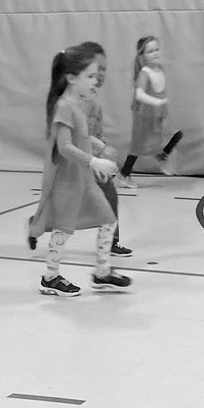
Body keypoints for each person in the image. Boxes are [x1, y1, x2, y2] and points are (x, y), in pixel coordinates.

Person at [27, 44, 132, 296]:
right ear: (72, 77)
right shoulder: (64, 106)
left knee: (108, 219)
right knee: (63, 229)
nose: (96, 81)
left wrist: (98, 147)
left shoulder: (78, 104)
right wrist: (93, 162)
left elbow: (80, 137)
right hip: (68, 180)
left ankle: (102, 272)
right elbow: (64, 147)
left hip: (83, 178)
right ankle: (50, 277)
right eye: (91, 76)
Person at [80, 41, 132, 257]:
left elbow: (95, 129)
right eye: (97, 69)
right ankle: (37, 226)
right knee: (65, 205)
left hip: (94, 158)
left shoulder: (92, 95)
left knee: (109, 196)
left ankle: (110, 242)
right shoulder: (81, 98)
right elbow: (79, 133)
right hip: (81, 158)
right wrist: (100, 147)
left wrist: (104, 152)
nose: (101, 74)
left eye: (104, 69)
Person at [115, 36, 183, 187]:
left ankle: (162, 155)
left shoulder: (160, 68)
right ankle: (124, 174)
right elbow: (139, 94)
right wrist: (156, 101)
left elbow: (160, 89)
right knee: (139, 145)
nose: (155, 53)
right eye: (150, 51)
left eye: (156, 49)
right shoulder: (144, 73)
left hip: (159, 111)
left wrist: (161, 102)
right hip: (145, 113)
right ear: (142, 56)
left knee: (174, 133)